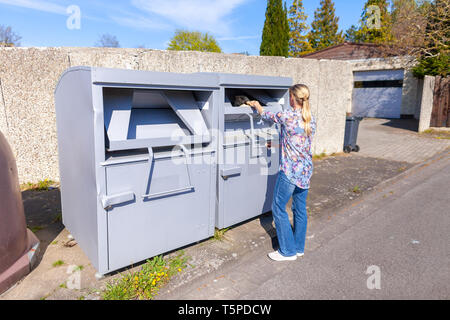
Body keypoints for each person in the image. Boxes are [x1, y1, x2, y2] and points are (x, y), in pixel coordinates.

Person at [247, 84, 316, 261]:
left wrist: (255, 105)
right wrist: (277, 145)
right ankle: (299, 247)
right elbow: (298, 142)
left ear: (292, 98)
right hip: (305, 170)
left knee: (278, 208)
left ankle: (287, 251)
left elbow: (265, 114)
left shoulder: (286, 115)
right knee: (299, 208)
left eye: (290, 96)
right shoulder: (309, 119)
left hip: (290, 171)